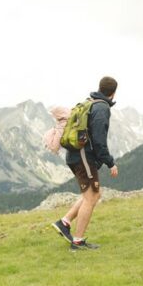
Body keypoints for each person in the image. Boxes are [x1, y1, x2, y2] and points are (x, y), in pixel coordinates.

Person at [52, 76, 119, 250]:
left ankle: (64, 223)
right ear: (113, 93)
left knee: (92, 195)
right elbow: (98, 140)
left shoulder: (89, 102)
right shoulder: (101, 108)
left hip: (75, 155)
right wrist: (110, 162)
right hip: (83, 157)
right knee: (92, 196)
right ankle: (78, 241)